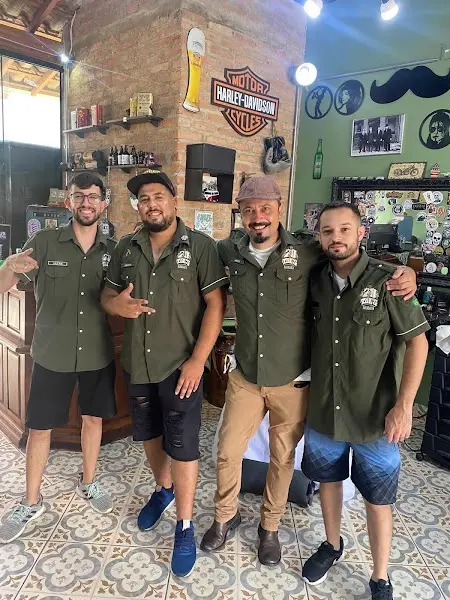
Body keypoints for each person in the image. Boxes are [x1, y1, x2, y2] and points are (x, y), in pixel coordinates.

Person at [200, 175, 417, 566]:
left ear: (279, 209)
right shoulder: (227, 249)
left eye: (265, 208)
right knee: (228, 451)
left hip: (293, 381)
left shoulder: (307, 250)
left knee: (283, 458)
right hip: (246, 377)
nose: (257, 216)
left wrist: (405, 272)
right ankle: (224, 517)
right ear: (240, 214)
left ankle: (269, 527)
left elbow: (353, 259)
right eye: (249, 210)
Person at [100, 170, 228, 577]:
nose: (151, 204)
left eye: (158, 196)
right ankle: (164, 490)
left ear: (173, 200)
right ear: (138, 207)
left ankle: (185, 526)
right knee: (150, 434)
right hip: (138, 364)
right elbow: (107, 295)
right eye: (143, 199)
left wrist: (197, 360)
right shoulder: (126, 247)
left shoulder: (201, 247)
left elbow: (216, 305)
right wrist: (117, 306)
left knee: (184, 446)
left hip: (180, 367)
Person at [301, 202, 429, 600]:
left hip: (376, 415)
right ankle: (332, 544)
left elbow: (418, 343)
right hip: (325, 408)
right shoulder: (316, 279)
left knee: (377, 497)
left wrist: (404, 406)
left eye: (344, 229)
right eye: (327, 231)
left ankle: (380, 576)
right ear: (319, 237)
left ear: (361, 233)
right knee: (327, 481)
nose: (335, 237)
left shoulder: (390, 281)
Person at [0, 172, 117, 544]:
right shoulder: (44, 242)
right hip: (52, 353)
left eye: (93, 196)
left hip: (97, 352)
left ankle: (89, 482)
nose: (86, 202)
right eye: (79, 195)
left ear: (104, 203)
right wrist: (8, 266)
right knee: (39, 429)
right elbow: (5, 285)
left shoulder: (115, 251)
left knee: (93, 419)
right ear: (68, 202)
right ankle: (30, 502)